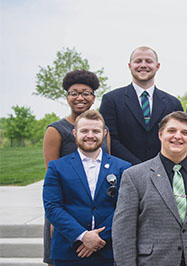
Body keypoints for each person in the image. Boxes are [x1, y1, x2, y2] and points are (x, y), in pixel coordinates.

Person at [112, 111, 187, 266]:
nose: (178, 136)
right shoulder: (134, 176)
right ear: (160, 134)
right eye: (171, 131)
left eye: (185, 132)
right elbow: (123, 232)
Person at [43, 110, 131, 265]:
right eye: (84, 131)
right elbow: (52, 207)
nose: (90, 135)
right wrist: (82, 236)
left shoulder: (122, 167)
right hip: (69, 251)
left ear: (104, 134)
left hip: (109, 250)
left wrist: (98, 238)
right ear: (75, 133)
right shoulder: (57, 167)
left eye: (96, 131)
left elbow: (125, 208)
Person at [42, 69, 110, 265]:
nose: (80, 97)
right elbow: (52, 176)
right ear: (67, 97)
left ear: (93, 97)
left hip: (97, 216)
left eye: (85, 93)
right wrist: (65, 227)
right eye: (74, 93)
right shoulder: (56, 130)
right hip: (66, 213)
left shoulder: (103, 130)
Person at [99, 46, 183, 165]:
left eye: (148, 61)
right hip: (124, 170)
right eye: (138, 61)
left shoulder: (173, 103)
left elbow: (178, 138)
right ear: (129, 66)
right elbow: (110, 139)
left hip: (164, 170)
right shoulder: (111, 100)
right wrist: (138, 167)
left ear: (157, 66)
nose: (143, 65)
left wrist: (158, 165)